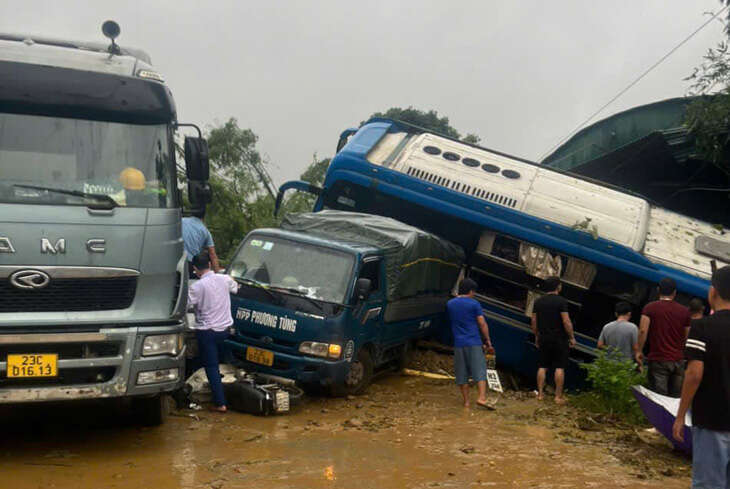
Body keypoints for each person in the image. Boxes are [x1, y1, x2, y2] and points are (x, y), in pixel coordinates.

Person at [673, 265, 730, 488]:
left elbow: (694, 373)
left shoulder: (702, 327)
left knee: (708, 484)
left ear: (713, 292)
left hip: (712, 419)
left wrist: (680, 416)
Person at [188, 252, 239, 412]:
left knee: (211, 367)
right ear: (210, 265)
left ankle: (220, 403)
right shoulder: (224, 279)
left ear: (195, 269)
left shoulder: (196, 286)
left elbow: (186, 305)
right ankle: (235, 394)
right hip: (224, 331)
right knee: (226, 363)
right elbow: (236, 288)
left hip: (207, 332)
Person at [637, 277, 691, 397]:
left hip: (658, 360)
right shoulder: (685, 312)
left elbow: (642, 331)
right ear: (674, 292)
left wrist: (639, 351)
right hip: (678, 361)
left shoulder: (649, 308)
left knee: (658, 398)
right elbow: (688, 336)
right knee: (674, 399)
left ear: (658, 290)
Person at [446, 278, 494, 409]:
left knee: (462, 374)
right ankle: (482, 398)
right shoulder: (474, 304)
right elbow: (482, 323)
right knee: (479, 371)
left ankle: (466, 402)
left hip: (459, 343)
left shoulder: (450, 304)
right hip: (474, 342)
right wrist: (488, 340)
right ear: (471, 291)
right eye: (474, 292)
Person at [532, 276, 575, 404]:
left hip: (544, 337)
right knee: (559, 367)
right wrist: (571, 337)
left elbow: (534, 321)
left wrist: (537, 336)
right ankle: (557, 397)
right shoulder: (561, 302)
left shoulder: (538, 301)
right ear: (558, 287)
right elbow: (566, 321)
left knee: (542, 366)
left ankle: (540, 394)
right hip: (559, 338)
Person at [182, 208, 220, 276]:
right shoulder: (205, 231)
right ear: (204, 217)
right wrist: (218, 275)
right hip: (191, 265)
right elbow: (212, 254)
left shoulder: (181, 221)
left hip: (174, 261)